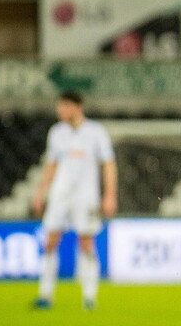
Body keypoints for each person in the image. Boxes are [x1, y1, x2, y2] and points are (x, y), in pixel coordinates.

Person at [31, 90, 117, 311]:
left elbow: (108, 163)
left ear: (77, 107)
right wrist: (40, 192)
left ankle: (89, 296)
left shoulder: (96, 132)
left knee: (86, 242)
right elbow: (51, 164)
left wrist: (109, 195)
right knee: (50, 241)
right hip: (60, 195)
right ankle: (45, 294)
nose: (60, 110)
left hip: (86, 196)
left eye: (64, 106)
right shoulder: (56, 132)